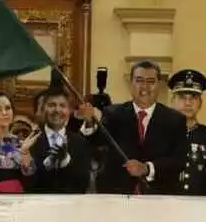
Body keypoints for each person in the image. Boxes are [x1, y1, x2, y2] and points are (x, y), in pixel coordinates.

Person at [78, 60, 188, 195]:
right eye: (139, 80)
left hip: (159, 199)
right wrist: (90, 121)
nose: (144, 87)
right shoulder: (112, 114)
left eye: (150, 81)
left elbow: (178, 161)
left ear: (159, 85)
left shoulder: (175, 120)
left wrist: (147, 168)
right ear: (131, 84)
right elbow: (96, 143)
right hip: (118, 198)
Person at [168, 69, 206, 196]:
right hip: (169, 208)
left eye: (193, 97)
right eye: (182, 97)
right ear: (172, 101)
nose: (187, 103)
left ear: (200, 103)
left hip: (204, 209)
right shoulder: (161, 135)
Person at [29, 88, 91, 194]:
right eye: (52, 105)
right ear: (43, 109)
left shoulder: (80, 143)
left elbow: (82, 184)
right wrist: (47, 164)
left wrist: (65, 161)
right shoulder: (31, 142)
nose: (57, 110)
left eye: (62, 106)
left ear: (69, 111)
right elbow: (28, 184)